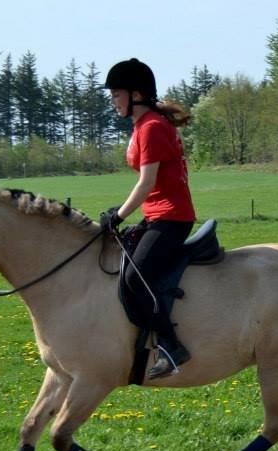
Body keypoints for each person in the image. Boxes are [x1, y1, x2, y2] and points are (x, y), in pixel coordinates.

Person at [100, 58, 196, 380]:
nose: (113, 100)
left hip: (172, 217)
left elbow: (147, 182)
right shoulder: (142, 126)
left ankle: (171, 346)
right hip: (157, 216)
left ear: (136, 94)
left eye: (116, 94)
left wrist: (119, 214)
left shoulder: (152, 127)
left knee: (134, 279)